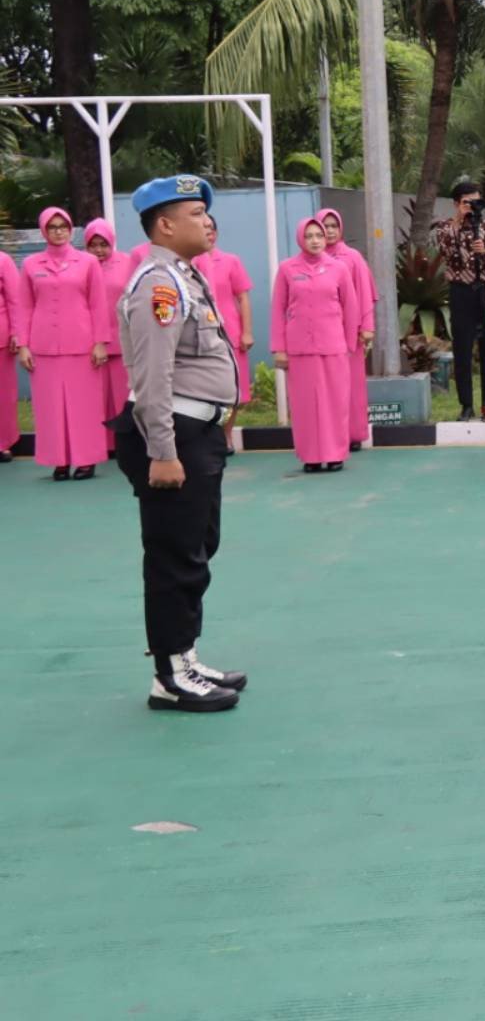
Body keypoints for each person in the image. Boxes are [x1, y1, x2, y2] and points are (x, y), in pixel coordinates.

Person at [114, 175, 248, 712]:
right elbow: (153, 377)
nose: (208, 221)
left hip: (197, 433)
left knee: (196, 548)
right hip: (171, 436)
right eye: (196, 213)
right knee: (174, 555)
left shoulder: (186, 277)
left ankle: (184, 656)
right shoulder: (159, 285)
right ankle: (169, 676)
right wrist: (163, 452)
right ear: (165, 225)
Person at [18, 206, 110, 480]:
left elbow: (98, 304)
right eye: (53, 227)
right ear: (44, 231)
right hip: (43, 346)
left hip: (82, 345)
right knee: (49, 407)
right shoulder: (32, 264)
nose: (59, 232)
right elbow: (24, 306)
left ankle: (86, 459)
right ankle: (58, 459)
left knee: (85, 406)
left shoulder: (88, 262)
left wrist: (100, 342)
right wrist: (23, 344)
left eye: (63, 227)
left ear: (71, 230)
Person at [271, 216, 359, 473]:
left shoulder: (338, 268)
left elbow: (350, 307)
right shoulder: (287, 269)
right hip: (299, 348)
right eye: (309, 236)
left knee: (335, 401)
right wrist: (280, 348)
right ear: (301, 239)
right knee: (304, 404)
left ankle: (335, 454)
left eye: (319, 235)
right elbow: (278, 309)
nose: (315, 240)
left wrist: (349, 343)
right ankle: (310, 456)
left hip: (333, 345)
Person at [431, 181, 485, 423]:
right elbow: (448, 253)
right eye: (466, 202)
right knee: (462, 350)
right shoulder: (445, 228)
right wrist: (460, 223)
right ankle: (466, 405)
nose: (472, 207)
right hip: (461, 291)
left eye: (476, 201)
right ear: (456, 204)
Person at [316, 208, 378, 447]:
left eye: (334, 226)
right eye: (325, 226)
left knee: (351, 385)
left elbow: (364, 294)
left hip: (350, 331)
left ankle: (353, 434)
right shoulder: (309, 259)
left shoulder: (352, 257)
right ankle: (330, 435)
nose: (330, 231)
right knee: (326, 387)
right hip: (322, 332)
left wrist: (366, 327)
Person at [192, 216, 255, 427]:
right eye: (203, 228)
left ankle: (226, 435)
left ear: (216, 234)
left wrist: (247, 331)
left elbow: (243, 297)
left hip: (230, 333)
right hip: (197, 335)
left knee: (233, 388)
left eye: (211, 228)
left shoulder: (230, 261)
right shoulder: (188, 263)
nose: (207, 232)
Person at [83, 219, 138, 452]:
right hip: (91, 341)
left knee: (124, 394)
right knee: (96, 397)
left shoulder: (127, 263)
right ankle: (102, 444)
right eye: (93, 245)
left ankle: (125, 442)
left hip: (123, 338)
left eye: (103, 244)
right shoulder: (82, 265)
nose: (98, 250)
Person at [0, 247, 23, 463]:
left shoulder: (3, 260)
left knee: (3, 394)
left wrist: (17, 333)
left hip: (1, 339)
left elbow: (16, 300)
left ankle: (3, 443)